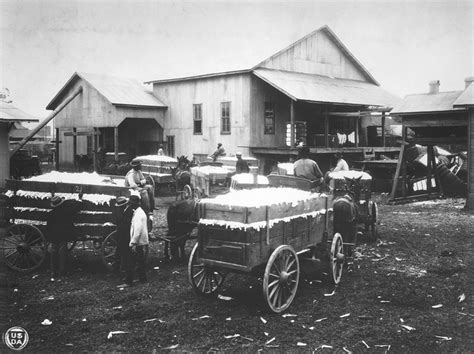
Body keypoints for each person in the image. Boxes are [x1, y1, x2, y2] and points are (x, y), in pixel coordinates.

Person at [46, 195, 82, 279]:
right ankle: (62, 272)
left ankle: (53, 272)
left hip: (54, 236)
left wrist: (50, 237)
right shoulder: (66, 211)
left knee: (53, 252)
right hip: (63, 235)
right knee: (62, 252)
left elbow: (48, 227)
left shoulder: (50, 214)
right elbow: (77, 206)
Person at [128, 195, 149, 285]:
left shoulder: (138, 215)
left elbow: (137, 230)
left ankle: (130, 281)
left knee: (133, 262)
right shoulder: (139, 212)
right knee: (140, 261)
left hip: (138, 242)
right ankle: (142, 279)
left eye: (131, 204)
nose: (130, 206)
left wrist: (133, 243)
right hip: (141, 242)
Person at [113, 196, 134, 275]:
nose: (120, 208)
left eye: (121, 206)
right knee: (119, 254)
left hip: (126, 237)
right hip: (120, 236)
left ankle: (124, 271)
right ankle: (116, 270)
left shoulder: (129, 212)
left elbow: (127, 225)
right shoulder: (121, 211)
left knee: (125, 255)